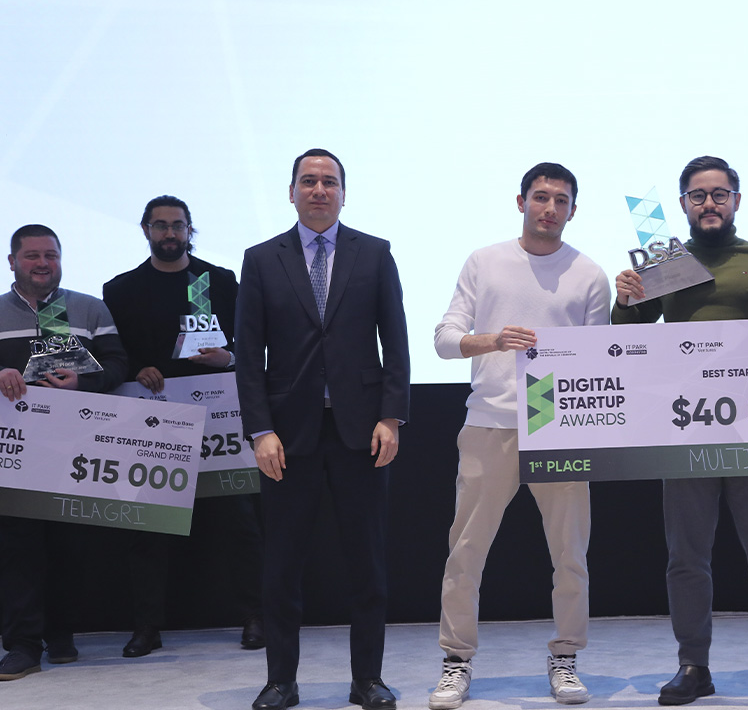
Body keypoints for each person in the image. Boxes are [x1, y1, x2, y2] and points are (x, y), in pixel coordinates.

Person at [613, 156, 748, 707]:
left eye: (719, 194)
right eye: (698, 195)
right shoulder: (664, 264)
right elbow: (625, 339)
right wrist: (627, 297)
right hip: (684, 430)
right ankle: (693, 665)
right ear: (684, 203)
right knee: (686, 555)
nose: (710, 203)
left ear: (736, 200)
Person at [429, 163, 609, 710]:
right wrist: (492, 341)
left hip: (559, 427)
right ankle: (456, 660)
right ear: (521, 201)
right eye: (540, 197)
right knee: (466, 551)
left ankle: (566, 656)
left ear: (573, 209)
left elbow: (600, 358)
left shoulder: (589, 274)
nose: (549, 208)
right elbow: (444, 339)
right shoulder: (484, 262)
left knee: (570, 554)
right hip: (490, 421)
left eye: (561, 200)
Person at [235, 149, 410, 710]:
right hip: (288, 436)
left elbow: (396, 341)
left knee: (368, 566)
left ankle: (368, 680)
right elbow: (248, 355)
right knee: (282, 566)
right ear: (291, 192)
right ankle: (280, 682)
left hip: (362, 433)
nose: (318, 190)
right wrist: (260, 430)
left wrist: (391, 415)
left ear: (343, 193)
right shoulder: (261, 259)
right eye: (308, 181)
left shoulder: (374, 253)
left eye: (329, 182)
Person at [102, 195, 264, 658]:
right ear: (146, 230)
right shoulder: (120, 290)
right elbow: (112, 353)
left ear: (190, 230)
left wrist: (228, 356)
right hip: (151, 420)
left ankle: (255, 617)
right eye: (161, 225)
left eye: (178, 225)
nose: (170, 233)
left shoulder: (221, 281)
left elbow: (254, 342)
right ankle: (146, 627)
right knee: (147, 528)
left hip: (219, 419)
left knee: (240, 522)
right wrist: (136, 367)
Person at [0, 225, 128, 680]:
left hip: (76, 450)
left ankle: (61, 635)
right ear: (12, 261)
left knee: (71, 548)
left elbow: (119, 364)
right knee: (18, 549)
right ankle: (22, 646)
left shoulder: (89, 308)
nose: (42, 263)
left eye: (50, 255)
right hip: (16, 455)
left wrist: (83, 381)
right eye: (32, 255)